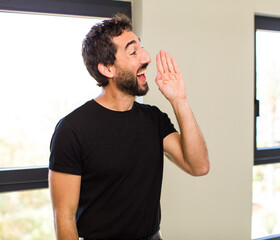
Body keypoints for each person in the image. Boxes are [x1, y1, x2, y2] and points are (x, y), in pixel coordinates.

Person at [48, 13, 209, 240]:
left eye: (141, 48)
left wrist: (179, 101)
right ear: (107, 68)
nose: (146, 57)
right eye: (133, 52)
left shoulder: (154, 119)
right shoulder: (72, 130)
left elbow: (198, 166)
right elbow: (64, 216)